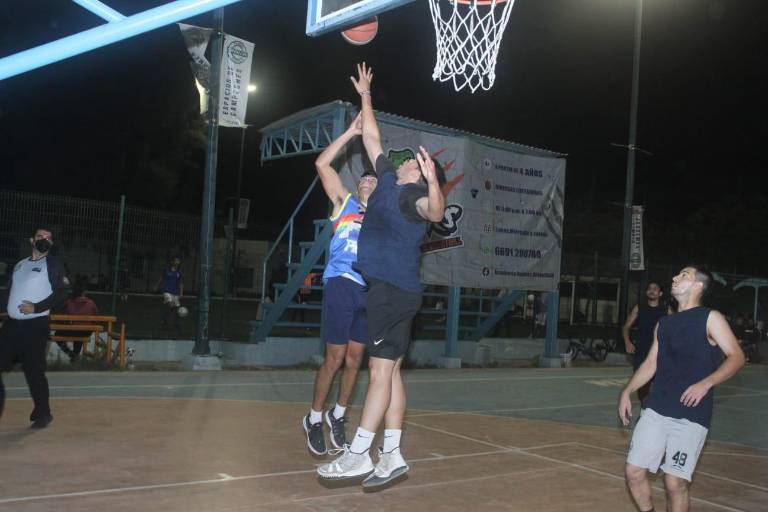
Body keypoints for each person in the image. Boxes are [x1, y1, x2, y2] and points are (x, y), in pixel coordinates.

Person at [318, 62, 446, 487]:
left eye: (418, 163)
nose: (411, 160)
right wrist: (367, 96)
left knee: (377, 372)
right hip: (391, 292)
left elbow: (437, 212)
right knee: (390, 372)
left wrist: (432, 184)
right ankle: (390, 453)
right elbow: (372, 138)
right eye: (413, 162)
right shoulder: (389, 177)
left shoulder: (413, 198)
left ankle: (359, 454)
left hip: (392, 292)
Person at [618, 265, 745, 512]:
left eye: (683, 275)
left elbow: (737, 357)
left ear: (698, 285)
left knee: (674, 482)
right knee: (633, 471)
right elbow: (651, 363)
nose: (675, 278)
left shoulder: (711, 318)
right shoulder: (664, 324)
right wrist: (626, 391)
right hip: (657, 407)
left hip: (691, 413)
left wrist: (706, 383)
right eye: (676, 274)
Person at [302, 112, 378, 455]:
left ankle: (338, 415)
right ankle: (314, 418)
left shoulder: (382, 219)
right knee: (334, 357)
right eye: (364, 179)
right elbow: (322, 164)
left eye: (374, 181)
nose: (368, 182)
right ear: (357, 185)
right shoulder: (344, 203)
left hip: (368, 290)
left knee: (355, 359)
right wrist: (351, 132)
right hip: (341, 283)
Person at [0, 227, 70, 429]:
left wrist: (36, 307)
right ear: (32, 240)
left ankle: (43, 412)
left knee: (34, 373)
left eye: (48, 238)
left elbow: (62, 292)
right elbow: (8, 293)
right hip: (11, 327)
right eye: (40, 236)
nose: (44, 240)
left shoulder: (53, 264)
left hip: (35, 327)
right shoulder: (20, 265)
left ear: (51, 244)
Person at [621, 281, 671, 407]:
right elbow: (626, 327)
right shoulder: (639, 308)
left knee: (661, 386)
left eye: (655, 289)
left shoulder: (667, 310)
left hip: (660, 352)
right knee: (642, 384)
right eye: (649, 288)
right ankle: (644, 410)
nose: (651, 290)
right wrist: (627, 342)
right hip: (641, 352)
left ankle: (656, 411)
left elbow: (677, 330)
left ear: (660, 293)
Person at [56, 285, 99, 362]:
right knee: (80, 333)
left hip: (73, 329)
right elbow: (96, 316)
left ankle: (70, 353)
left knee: (57, 335)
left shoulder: (69, 302)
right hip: (86, 331)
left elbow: (60, 313)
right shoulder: (91, 303)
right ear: (83, 293)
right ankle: (75, 356)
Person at [154, 257, 184, 329]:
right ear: (172, 262)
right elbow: (161, 278)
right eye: (176, 261)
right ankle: (164, 320)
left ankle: (175, 323)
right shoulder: (166, 270)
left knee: (177, 308)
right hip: (167, 291)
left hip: (175, 292)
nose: (177, 263)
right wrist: (156, 286)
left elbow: (181, 283)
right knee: (171, 305)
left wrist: (181, 293)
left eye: (178, 261)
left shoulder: (179, 272)